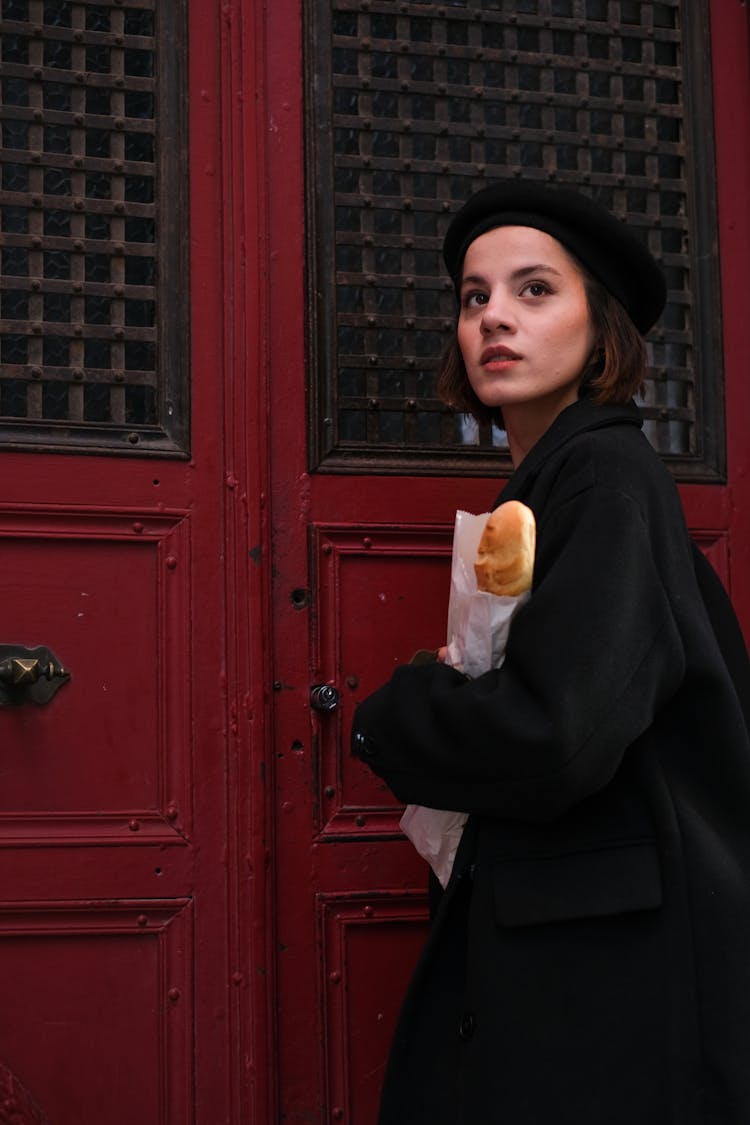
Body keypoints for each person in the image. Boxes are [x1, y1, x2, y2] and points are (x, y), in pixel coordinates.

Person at [350, 181, 750, 1125]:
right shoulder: (558, 482)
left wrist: (396, 712)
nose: (494, 317)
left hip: (612, 977)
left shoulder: (604, 474)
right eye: (474, 297)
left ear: (599, 326)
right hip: (590, 958)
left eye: (534, 291)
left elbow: (556, 735)